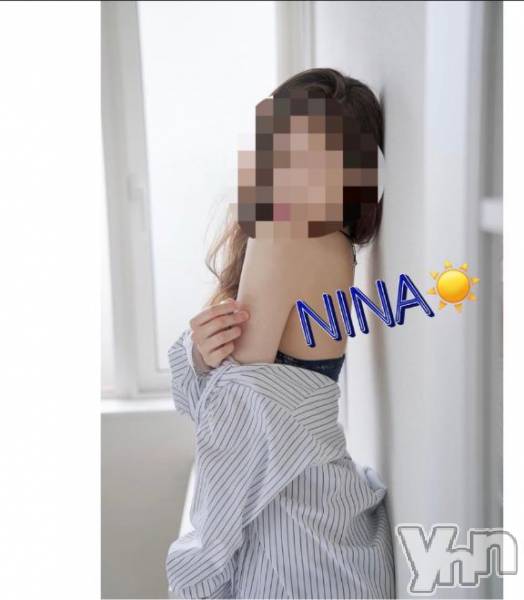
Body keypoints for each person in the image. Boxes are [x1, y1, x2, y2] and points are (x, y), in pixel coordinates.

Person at [166, 68, 395, 599]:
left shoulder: (288, 233)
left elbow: (234, 432)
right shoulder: (334, 243)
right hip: (320, 528)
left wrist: (196, 573)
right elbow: (237, 403)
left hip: (293, 544)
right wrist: (200, 356)